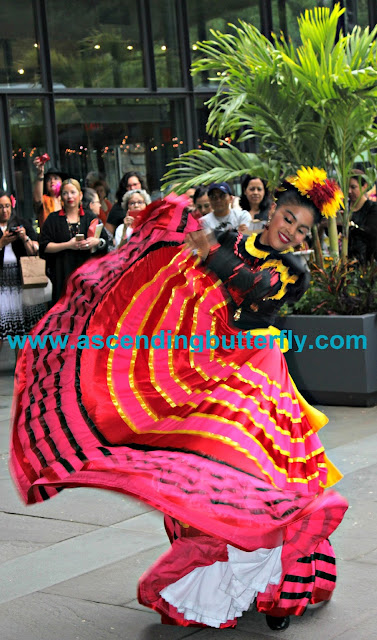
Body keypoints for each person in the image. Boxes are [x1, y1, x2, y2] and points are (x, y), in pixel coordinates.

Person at [10, 169, 347, 633]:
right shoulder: (235, 238)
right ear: (273, 209)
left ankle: (272, 585)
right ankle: (219, 582)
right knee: (197, 464)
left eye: (303, 228)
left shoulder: (293, 270)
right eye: (289, 217)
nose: (291, 230)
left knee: (260, 475)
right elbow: (192, 270)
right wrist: (178, 236)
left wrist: (209, 251)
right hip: (206, 360)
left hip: (257, 371)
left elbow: (255, 288)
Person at [39, 178, 108, 305]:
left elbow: (105, 242)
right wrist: (68, 245)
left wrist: (96, 242)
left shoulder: (90, 217)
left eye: (73, 192)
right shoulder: (53, 219)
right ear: (61, 197)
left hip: (88, 275)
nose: (69, 196)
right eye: (65, 193)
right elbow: (44, 246)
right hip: (62, 273)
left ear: (80, 195)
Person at [0, 190, 46, 349]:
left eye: (7, 206)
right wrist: (2, 242)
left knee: (22, 331)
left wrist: (24, 237)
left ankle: (20, 367)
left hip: (22, 280)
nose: (4, 210)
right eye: (0, 207)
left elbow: (35, 250)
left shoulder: (22, 222)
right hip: (2, 283)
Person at [105, 171, 148, 235]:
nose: (132, 188)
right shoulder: (117, 208)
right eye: (129, 186)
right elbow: (108, 233)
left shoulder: (148, 203)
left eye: (135, 184)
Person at [348, 171, 377, 263]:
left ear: (365, 186)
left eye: (353, 187)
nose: (349, 191)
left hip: (368, 262)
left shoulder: (372, 208)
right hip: (346, 262)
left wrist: (350, 226)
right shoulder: (343, 209)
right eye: (346, 187)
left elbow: (370, 233)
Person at [32, 158, 68, 230]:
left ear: (62, 182)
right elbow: (37, 200)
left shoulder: (67, 199)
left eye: (56, 178)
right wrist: (40, 174)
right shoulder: (45, 200)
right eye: (49, 179)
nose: (52, 181)